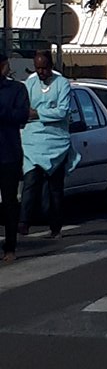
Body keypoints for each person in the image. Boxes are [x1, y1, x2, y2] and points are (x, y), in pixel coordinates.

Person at [18, 50, 80, 240]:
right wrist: (37, 113)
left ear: (51, 67)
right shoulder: (30, 83)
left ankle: (55, 226)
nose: (41, 72)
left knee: (54, 189)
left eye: (44, 68)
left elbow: (62, 112)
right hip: (32, 141)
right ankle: (24, 222)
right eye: (38, 69)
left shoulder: (62, 84)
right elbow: (24, 108)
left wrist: (38, 113)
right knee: (30, 181)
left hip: (56, 142)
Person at [0, 53, 30, 263]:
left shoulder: (17, 89)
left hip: (8, 153)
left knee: (10, 201)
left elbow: (22, 116)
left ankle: (10, 247)